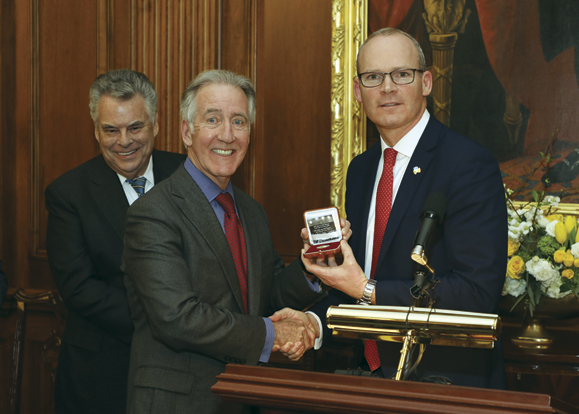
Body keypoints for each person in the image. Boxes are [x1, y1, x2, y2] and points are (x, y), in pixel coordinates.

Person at [122, 69, 349, 414]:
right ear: (187, 131)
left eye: (239, 122)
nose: (227, 135)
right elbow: (177, 318)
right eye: (213, 119)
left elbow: (267, 293)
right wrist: (272, 336)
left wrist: (311, 268)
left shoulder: (252, 212)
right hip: (178, 403)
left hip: (243, 398)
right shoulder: (153, 213)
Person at [297, 28, 508, 388]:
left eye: (402, 74)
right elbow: (364, 274)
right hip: (369, 378)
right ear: (357, 91)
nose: (387, 88)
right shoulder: (362, 170)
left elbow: (476, 293)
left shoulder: (468, 164)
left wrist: (366, 289)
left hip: (445, 384)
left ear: (426, 82)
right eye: (373, 77)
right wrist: (311, 320)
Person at [45, 69, 186, 414]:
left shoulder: (190, 175)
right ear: (96, 130)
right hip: (101, 375)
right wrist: (164, 323)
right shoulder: (68, 193)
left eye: (135, 127)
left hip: (186, 371)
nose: (124, 141)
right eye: (111, 130)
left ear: (155, 123)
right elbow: (78, 288)